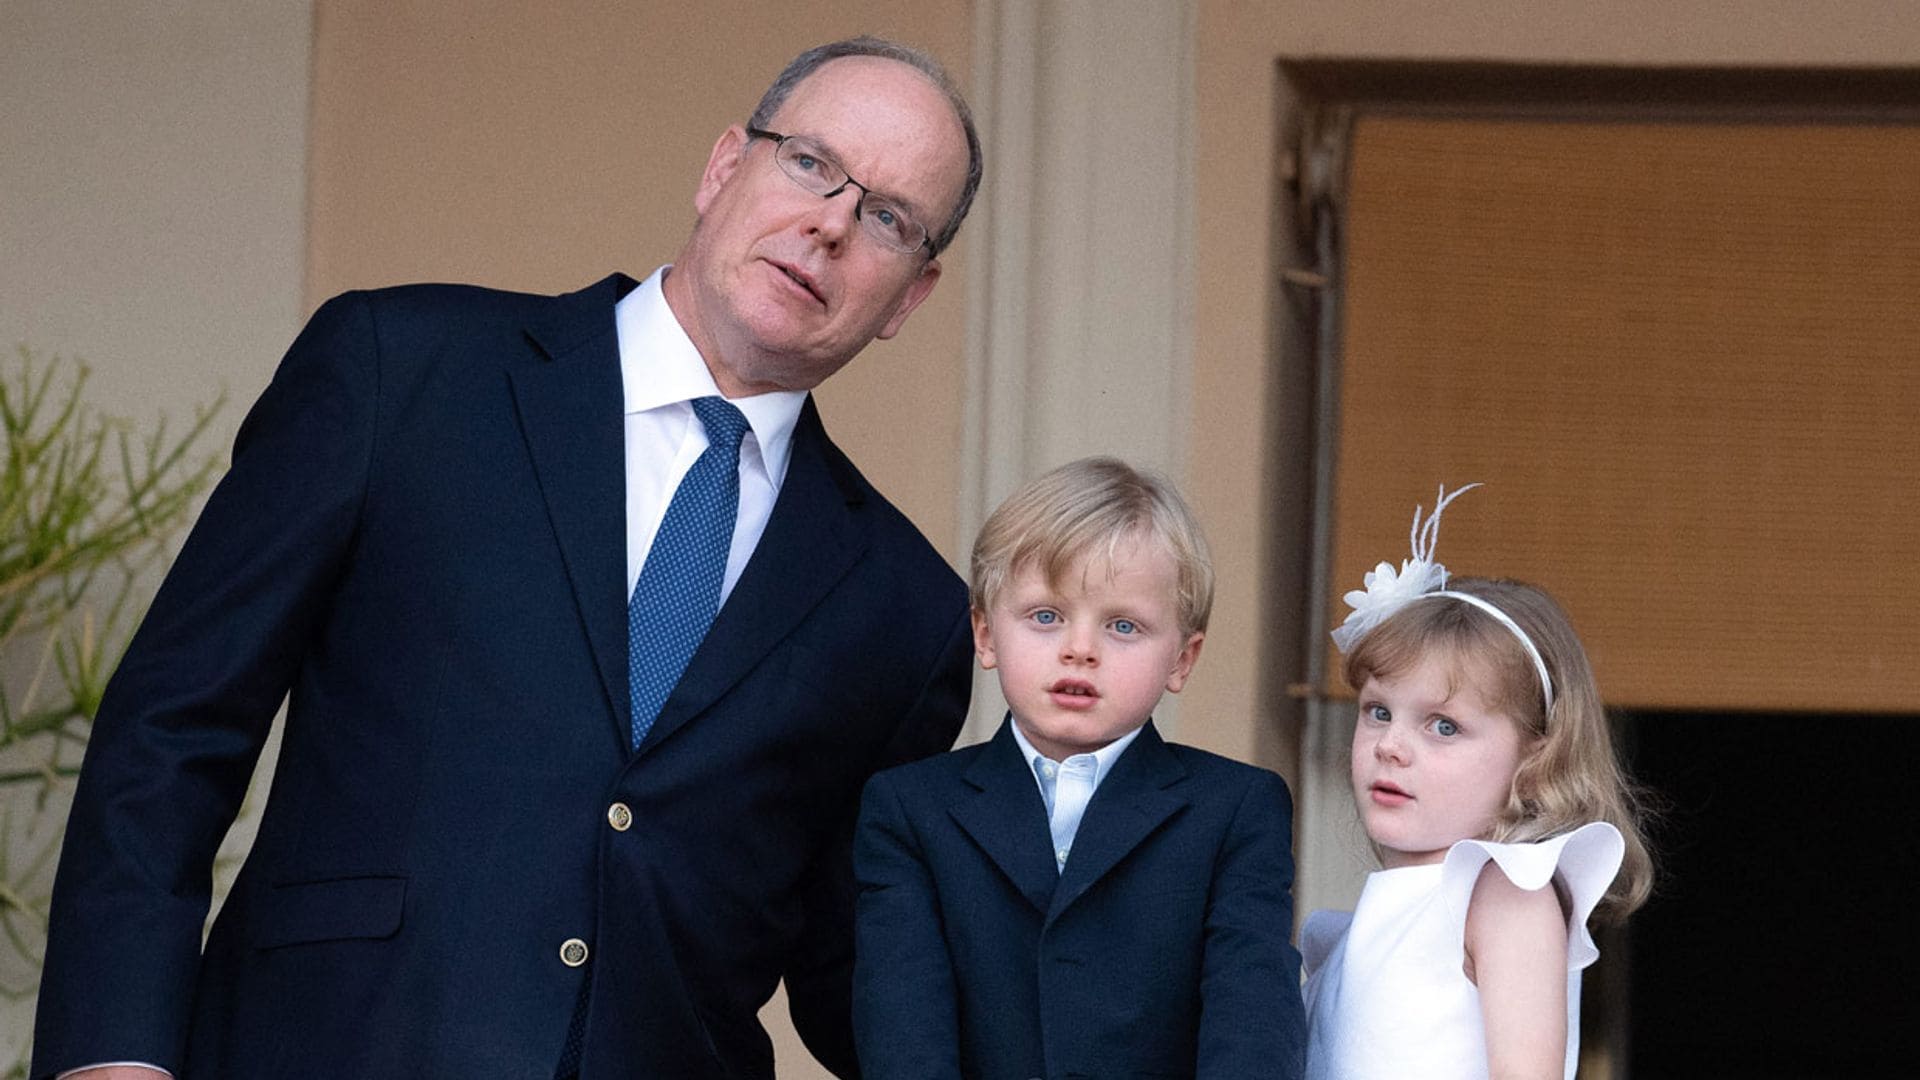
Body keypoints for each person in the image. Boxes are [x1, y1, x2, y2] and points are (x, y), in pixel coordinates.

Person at [32, 36, 983, 1080]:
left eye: (887, 217)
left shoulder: (907, 611)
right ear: (724, 168)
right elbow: (171, 731)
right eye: (809, 162)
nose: (833, 222)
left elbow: (857, 973)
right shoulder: (403, 370)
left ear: (909, 297)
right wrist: (110, 1057)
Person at [852, 456, 1308, 1079]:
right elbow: (904, 1035)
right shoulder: (910, 810)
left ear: (1182, 658)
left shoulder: (1236, 807)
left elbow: (1251, 1019)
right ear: (985, 636)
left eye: (1123, 625)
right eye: (1046, 616)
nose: (1079, 649)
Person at [1301, 484, 1654, 1079]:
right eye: (1378, 711)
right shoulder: (1371, 925)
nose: (1390, 745)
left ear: (1536, 757)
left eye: (1443, 726)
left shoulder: (1502, 893)